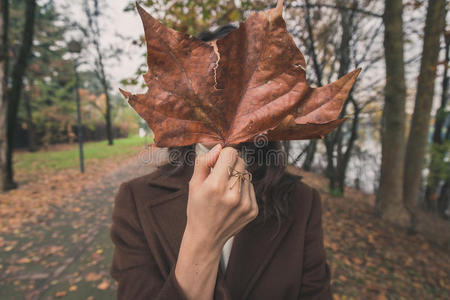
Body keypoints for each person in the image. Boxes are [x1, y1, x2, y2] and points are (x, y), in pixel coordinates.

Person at [109, 25, 332, 300]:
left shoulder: (303, 202)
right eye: (207, 77)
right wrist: (204, 239)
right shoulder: (135, 199)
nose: (220, 93)